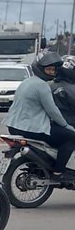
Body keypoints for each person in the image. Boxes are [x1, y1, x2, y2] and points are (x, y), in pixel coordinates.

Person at [6, 51, 75, 179]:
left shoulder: (26, 82)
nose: (52, 72)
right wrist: (66, 125)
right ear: (40, 69)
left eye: (53, 70)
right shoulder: (42, 86)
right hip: (30, 128)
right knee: (71, 137)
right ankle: (59, 172)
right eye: (48, 69)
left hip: (13, 125)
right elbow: (53, 111)